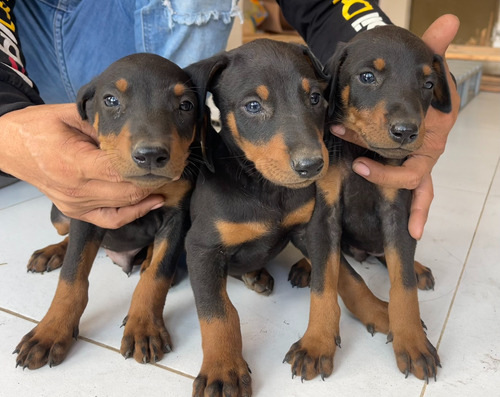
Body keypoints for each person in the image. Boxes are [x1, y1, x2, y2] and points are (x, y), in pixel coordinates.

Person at [0, 0, 460, 239]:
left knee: (175, 199)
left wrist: (389, 54)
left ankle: (184, 214)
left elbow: (324, 5)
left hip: (162, 88)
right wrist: (6, 117)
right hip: (25, 42)